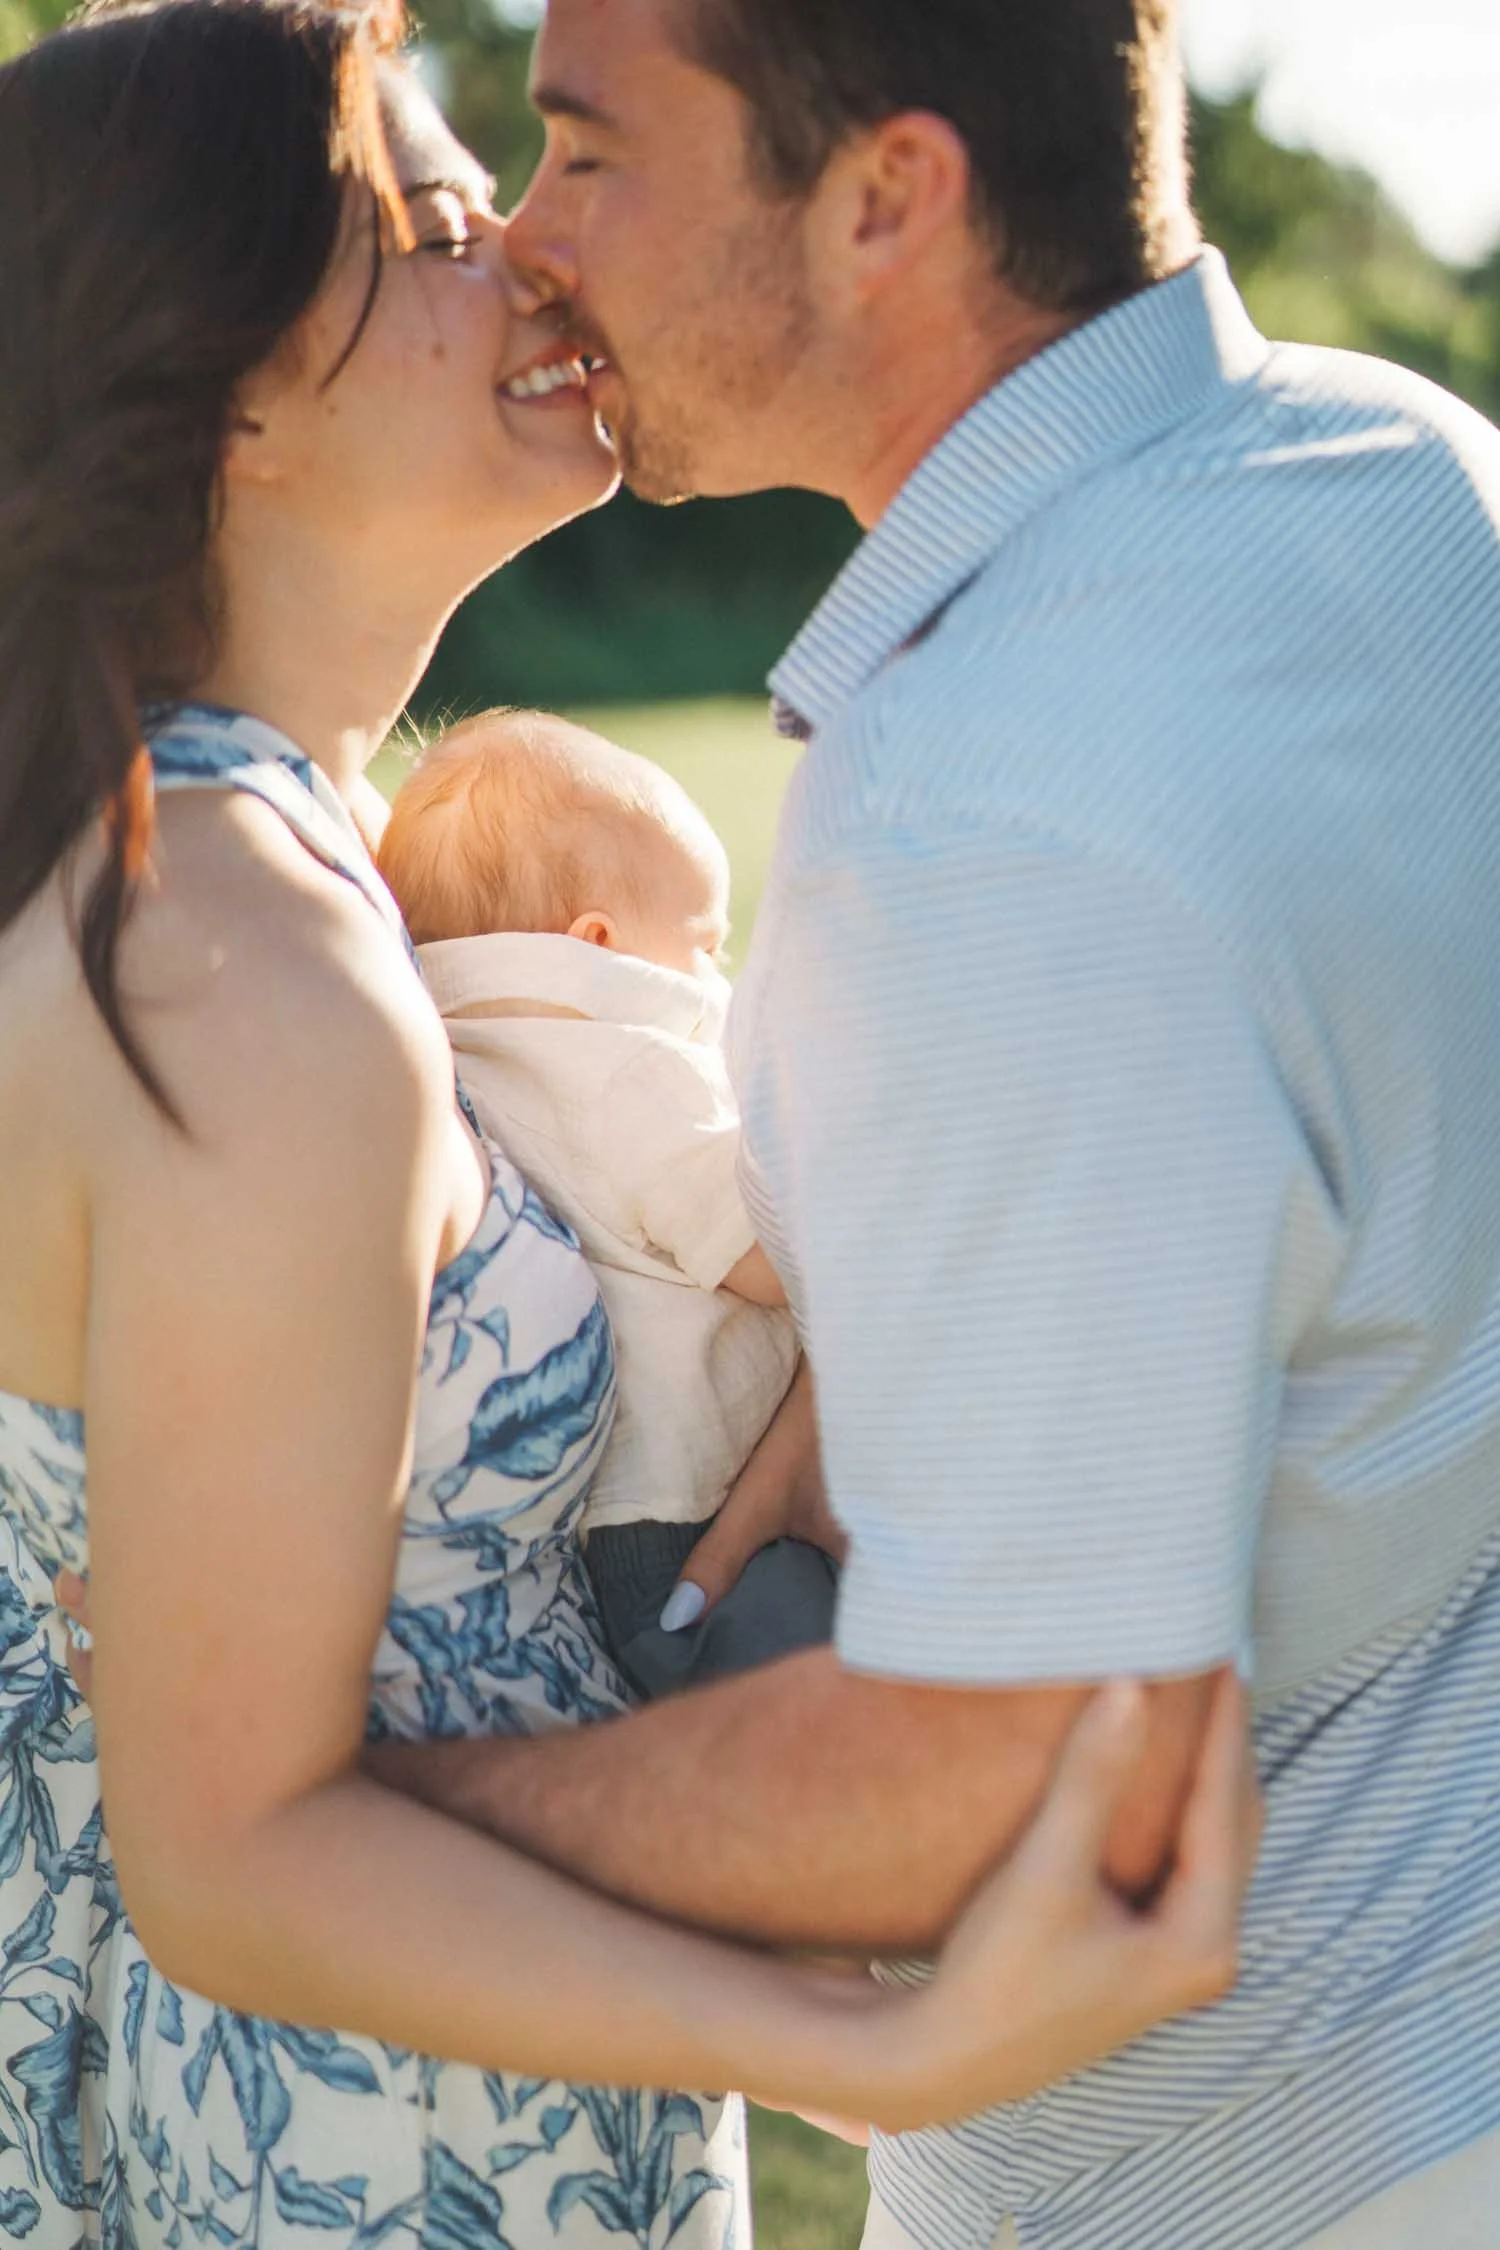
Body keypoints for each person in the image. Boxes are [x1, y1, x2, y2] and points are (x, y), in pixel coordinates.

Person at [0, 4, 1259, 2246]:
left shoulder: (279, 875)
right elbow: (231, 1859)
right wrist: (873, 2047)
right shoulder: (237, 969)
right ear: (226, 385)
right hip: (351, 2153)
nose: (545, 269)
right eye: (447, 228)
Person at [364, 1, 1500, 2245]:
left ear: (886, 196)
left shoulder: (989, 800)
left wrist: (368, 1810)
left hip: (1255, 2158)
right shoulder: (1414, 474)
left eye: (591, 153)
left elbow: (982, 1777)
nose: (535, 234)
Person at [376, 710, 837, 1697]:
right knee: (813, 1706)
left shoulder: (457, 1055)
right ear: (597, 944)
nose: (714, 976)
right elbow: (773, 1258)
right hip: (706, 1509)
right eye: (704, 946)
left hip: (615, 1526)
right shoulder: (626, 1070)